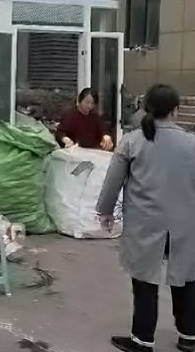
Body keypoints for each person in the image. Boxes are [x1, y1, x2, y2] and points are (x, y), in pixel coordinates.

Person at [97, 84, 195, 352]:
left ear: (147, 108)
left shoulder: (133, 141)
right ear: (175, 110)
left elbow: (113, 181)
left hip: (145, 224)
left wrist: (105, 211)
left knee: (144, 281)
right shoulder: (191, 143)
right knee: (186, 279)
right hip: (185, 225)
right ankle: (189, 336)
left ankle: (142, 339)